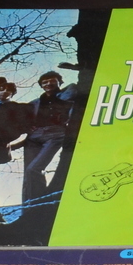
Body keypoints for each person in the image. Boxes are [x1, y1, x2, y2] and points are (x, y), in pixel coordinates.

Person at [21, 70, 85, 202]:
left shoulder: (66, 94)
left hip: (55, 134)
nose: (48, 84)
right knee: (28, 173)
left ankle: (38, 202)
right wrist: (26, 126)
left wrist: (55, 95)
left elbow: (71, 91)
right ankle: (29, 205)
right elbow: (22, 118)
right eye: (44, 82)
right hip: (34, 137)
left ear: (59, 82)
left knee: (34, 169)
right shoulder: (35, 103)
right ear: (41, 86)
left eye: (52, 81)